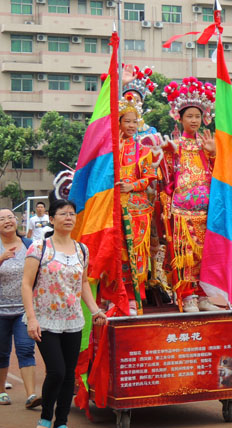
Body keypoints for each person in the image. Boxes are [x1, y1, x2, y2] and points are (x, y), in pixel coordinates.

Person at [21, 199, 108, 428]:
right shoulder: (39, 248)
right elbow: (26, 284)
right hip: (44, 320)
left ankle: (61, 421)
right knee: (57, 371)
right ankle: (45, 417)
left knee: (69, 373)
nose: (69, 218)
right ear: (51, 218)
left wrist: (95, 310)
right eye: (63, 214)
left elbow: (83, 284)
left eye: (72, 214)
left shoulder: (81, 249)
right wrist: (31, 318)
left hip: (73, 320)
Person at [161, 77, 219, 312]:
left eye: (197, 116)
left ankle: (204, 296)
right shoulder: (175, 144)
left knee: (207, 255)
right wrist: (167, 155)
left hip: (206, 210)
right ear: (180, 118)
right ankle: (187, 297)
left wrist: (214, 154)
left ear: (203, 118)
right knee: (185, 255)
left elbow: (221, 178)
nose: (194, 120)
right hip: (182, 211)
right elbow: (165, 179)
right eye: (189, 116)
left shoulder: (209, 143)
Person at [116, 93, 157, 315]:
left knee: (136, 254)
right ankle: (116, 295)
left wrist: (132, 186)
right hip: (114, 209)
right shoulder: (110, 150)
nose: (131, 125)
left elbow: (150, 176)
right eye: (126, 121)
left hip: (138, 209)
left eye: (134, 121)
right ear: (119, 122)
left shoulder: (143, 150)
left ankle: (134, 297)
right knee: (117, 252)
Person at [0, 209, 41, 408]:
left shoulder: (29, 246)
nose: (7, 221)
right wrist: (1, 258)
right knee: (1, 352)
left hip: (24, 310)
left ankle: (31, 395)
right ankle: (1, 392)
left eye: (10, 217)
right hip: (0, 311)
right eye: (2, 219)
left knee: (26, 349)